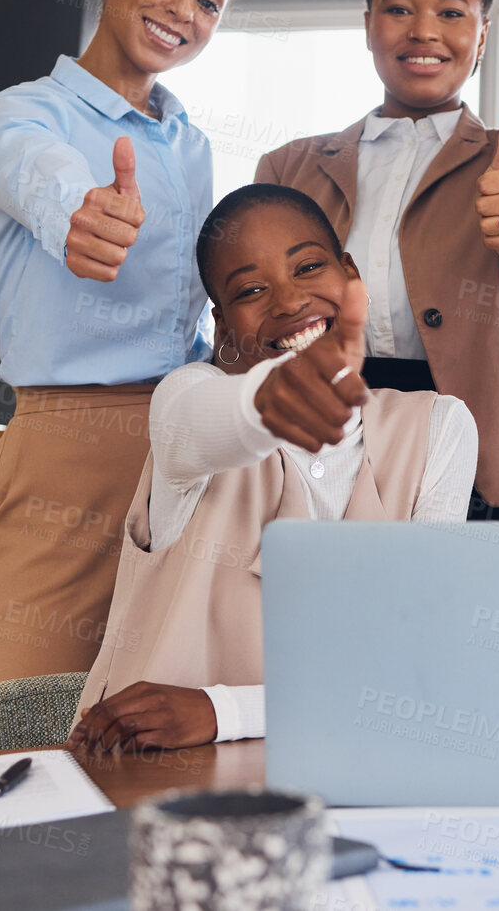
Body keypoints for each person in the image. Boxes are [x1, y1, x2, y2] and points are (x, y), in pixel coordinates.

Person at [0, 0, 289, 685]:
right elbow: (45, 182)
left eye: (212, 0)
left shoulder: (189, 145)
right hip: (68, 445)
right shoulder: (16, 116)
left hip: (183, 439)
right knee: (28, 710)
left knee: (157, 710)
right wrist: (82, 214)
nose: (185, 10)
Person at [70, 184, 477, 749]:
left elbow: (418, 667)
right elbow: (203, 420)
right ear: (223, 325)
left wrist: (225, 711)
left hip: (359, 771)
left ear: (351, 271)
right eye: (251, 290)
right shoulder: (184, 403)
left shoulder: (438, 428)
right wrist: (272, 398)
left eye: (308, 266)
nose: (288, 303)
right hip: (154, 783)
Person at [255, 0, 499, 521]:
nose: (424, 31)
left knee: (482, 607)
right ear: (368, 26)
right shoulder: (289, 165)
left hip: (485, 428)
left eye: (451, 12)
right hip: (325, 426)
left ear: (483, 34)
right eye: (399, 9)